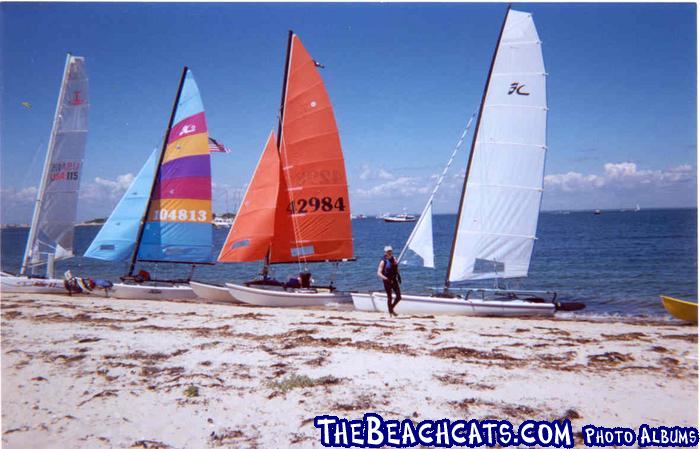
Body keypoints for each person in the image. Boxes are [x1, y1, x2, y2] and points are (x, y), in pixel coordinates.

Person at [377, 246, 401, 316]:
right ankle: (391, 312)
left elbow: (396, 269)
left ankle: (391, 309)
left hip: (394, 279)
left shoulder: (394, 259)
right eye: (388, 251)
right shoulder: (383, 261)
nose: (389, 252)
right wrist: (386, 279)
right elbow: (378, 273)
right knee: (389, 297)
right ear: (385, 252)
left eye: (390, 251)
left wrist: (399, 276)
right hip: (387, 280)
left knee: (399, 297)